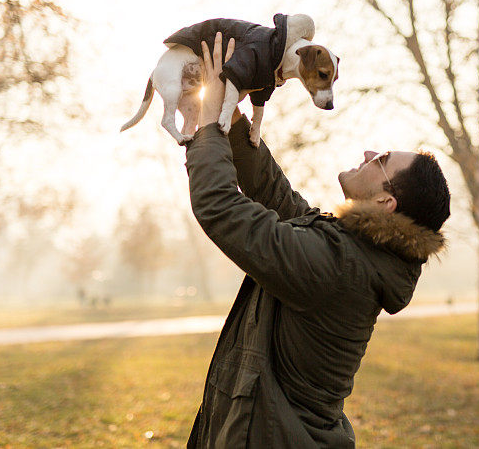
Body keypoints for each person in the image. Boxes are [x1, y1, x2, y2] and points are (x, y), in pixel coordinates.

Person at [184, 32, 450, 448]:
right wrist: (227, 116)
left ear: (385, 202)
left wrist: (205, 131)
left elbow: (221, 209)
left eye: (380, 160)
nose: (367, 153)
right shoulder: (353, 252)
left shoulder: (337, 266)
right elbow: (278, 198)